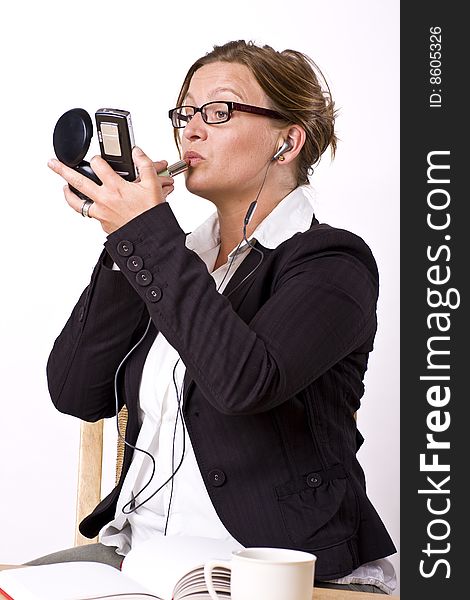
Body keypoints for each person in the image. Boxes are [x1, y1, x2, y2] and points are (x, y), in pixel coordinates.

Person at [31, 40, 397, 593]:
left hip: (268, 569)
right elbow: (77, 391)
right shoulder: (173, 260)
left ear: (287, 140)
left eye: (219, 111)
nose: (191, 130)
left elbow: (243, 383)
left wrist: (144, 234)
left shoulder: (331, 262)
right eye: (185, 113)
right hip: (139, 558)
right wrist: (123, 237)